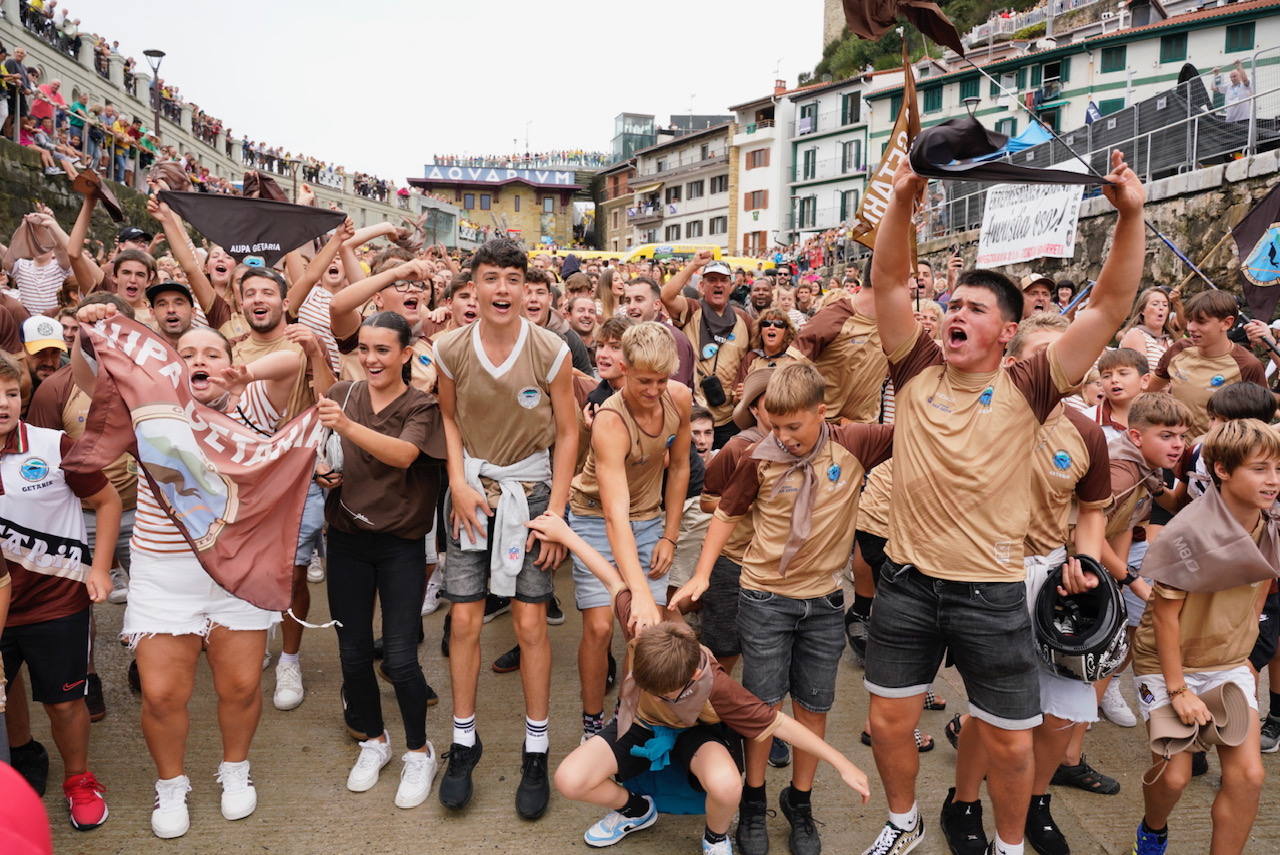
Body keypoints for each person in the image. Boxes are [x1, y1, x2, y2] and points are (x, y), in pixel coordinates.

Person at [859, 150, 1145, 855]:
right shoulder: (917, 367)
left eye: (974, 308)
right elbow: (888, 278)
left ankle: (1009, 846)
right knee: (889, 722)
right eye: (952, 305)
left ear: (1006, 330)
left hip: (991, 591)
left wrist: (1130, 216)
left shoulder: (1032, 385)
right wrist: (903, 200)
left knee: (1011, 745)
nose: (955, 314)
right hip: (905, 582)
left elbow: (1109, 306)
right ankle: (902, 822)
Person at [70, 301, 300, 837]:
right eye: (188, 354)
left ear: (230, 361)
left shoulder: (253, 408)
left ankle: (235, 770)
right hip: (163, 570)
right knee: (160, 694)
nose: (201, 360)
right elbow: (90, 377)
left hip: (238, 572)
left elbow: (290, 362)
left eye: (212, 353)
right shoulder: (150, 404)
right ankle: (171, 785)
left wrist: (244, 371)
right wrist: (91, 333)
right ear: (172, 366)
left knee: (241, 687)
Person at [532, 512, 870, 855]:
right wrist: (566, 534)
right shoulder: (642, 627)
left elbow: (781, 725)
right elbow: (612, 578)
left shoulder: (716, 685)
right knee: (569, 778)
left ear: (693, 675)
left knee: (726, 786)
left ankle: (715, 836)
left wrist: (844, 764)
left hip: (697, 731)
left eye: (665, 693)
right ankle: (636, 809)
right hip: (643, 724)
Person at [672, 363, 893, 855]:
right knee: (762, 707)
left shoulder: (856, 442)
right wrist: (704, 573)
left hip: (824, 601)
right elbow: (726, 513)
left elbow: (921, 428)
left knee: (813, 705)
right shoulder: (758, 454)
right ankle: (754, 801)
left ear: (822, 412)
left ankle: (801, 800)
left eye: (794, 427)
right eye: (775, 425)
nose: (784, 437)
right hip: (764, 597)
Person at [944, 313, 1113, 855]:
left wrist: (1085, 566)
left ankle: (1037, 803)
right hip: (986, 577)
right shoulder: (979, 415)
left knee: (1060, 713)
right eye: (1048, 358)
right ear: (1016, 363)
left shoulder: (1085, 431)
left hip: (1053, 580)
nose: (1062, 369)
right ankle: (964, 801)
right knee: (990, 711)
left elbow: (1092, 510)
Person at [433, 238, 577, 820]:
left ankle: (536, 746)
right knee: (464, 617)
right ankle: (464, 740)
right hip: (471, 490)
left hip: (532, 492)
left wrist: (557, 512)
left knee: (530, 621)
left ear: (525, 288)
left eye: (511, 279)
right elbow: (446, 416)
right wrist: (459, 483)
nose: (500, 289)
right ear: (473, 287)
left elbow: (569, 431)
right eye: (489, 278)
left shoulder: (551, 349)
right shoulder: (450, 347)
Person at [1130, 419, 1276, 855]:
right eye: (1260, 468)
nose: (1273, 480)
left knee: (1249, 776)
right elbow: (1165, 618)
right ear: (1222, 470)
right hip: (1168, 662)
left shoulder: (1271, 522)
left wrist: (1245, 645)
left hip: (1227, 662)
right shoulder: (1187, 533)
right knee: (1174, 777)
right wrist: (1177, 691)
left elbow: (1265, 576)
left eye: (1278, 468)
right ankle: (1152, 830)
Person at [319, 312, 443, 809]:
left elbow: (404, 455)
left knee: (399, 657)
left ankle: (419, 750)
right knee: (350, 655)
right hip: (346, 540)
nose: (371, 359)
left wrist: (347, 427)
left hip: (399, 546)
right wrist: (323, 471)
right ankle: (374, 742)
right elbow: (318, 447)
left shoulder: (422, 405)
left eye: (383, 350)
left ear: (405, 354)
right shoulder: (341, 393)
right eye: (364, 349)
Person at [0, 349, 118, 831]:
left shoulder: (54, 445)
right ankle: (22, 756)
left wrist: (101, 569)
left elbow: (107, 500)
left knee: (66, 701)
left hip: (58, 603)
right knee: (4, 695)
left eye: (10, 393)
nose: (3, 404)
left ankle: (79, 781)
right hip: (0, 608)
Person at [568, 322, 691, 741]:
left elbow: (681, 470)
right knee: (601, 627)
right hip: (595, 518)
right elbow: (613, 514)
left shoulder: (680, 399)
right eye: (643, 381)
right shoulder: (610, 421)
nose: (654, 390)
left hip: (650, 517)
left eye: (662, 380)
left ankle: (634, 716)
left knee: (646, 633)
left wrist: (669, 536)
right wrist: (636, 590)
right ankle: (590, 721)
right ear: (624, 367)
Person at [661, 256, 750, 449]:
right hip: (694, 413)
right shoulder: (692, 308)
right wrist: (693, 265)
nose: (718, 285)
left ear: (731, 285)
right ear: (702, 286)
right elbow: (666, 296)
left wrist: (743, 385)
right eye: (711, 280)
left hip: (728, 416)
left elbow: (753, 358)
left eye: (723, 280)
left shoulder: (743, 318)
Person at [1149, 289, 1264, 438]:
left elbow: (1259, 423)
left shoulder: (1248, 365)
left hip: (1220, 454)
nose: (1191, 327)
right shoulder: (1179, 349)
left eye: (1201, 321)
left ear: (1227, 323)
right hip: (1174, 452)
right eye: (1190, 320)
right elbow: (1148, 390)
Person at [788, 257, 889, 425]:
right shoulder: (835, 316)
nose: (913, 286)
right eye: (906, 279)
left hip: (865, 435)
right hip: (822, 432)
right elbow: (788, 374)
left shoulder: (897, 325)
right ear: (882, 277)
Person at [621, 277, 694, 388]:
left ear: (656, 305)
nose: (631, 306)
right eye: (628, 301)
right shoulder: (628, 334)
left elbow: (674, 393)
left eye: (639, 300)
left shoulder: (672, 339)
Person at [1086, 347, 1151, 440]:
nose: (1114, 380)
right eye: (1106, 376)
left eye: (1123, 373)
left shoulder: (1163, 417)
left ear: (1144, 380)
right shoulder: (1087, 421)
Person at [1118, 288, 1177, 371]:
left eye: (1165, 305)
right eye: (1155, 304)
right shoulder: (1135, 335)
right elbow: (1140, 375)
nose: (1161, 308)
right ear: (1142, 310)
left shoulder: (1171, 339)